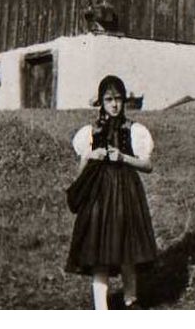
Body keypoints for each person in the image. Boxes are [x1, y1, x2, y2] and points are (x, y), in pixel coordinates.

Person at [65, 74, 157, 309]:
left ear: (124, 101)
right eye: (108, 99)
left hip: (127, 192)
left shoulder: (134, 130)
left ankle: (130, 300)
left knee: (127, 247)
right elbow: (81, 172)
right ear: (101, 102)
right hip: (98, 196)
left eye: (118, 99)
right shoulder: (90, 131)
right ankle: (101, 310)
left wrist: (124, 157)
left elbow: (147, 165)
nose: (114, 104)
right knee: (99, 253)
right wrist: (90, 156)